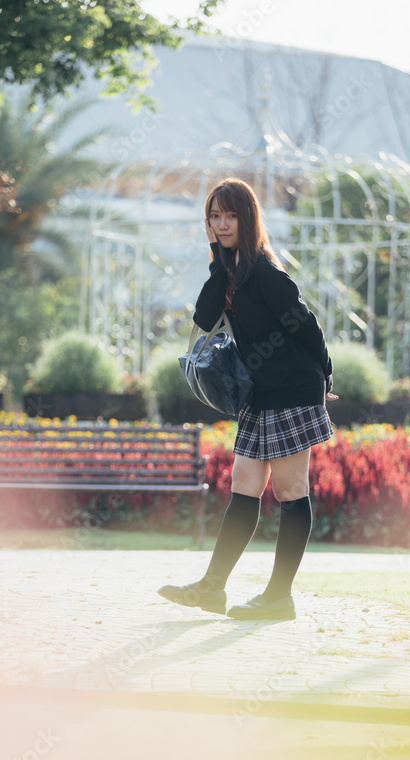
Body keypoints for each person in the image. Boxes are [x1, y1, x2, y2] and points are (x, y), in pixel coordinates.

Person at [158, 177, 338, 621]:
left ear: (248, 218)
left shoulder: (265, 273)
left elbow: (307, 326)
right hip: (259, 394)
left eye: (230, 216)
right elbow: (204, 318)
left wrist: (325, 377)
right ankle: (212, 588)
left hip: (293, 389)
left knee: (291, 490)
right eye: (214, 216)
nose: (222, 224)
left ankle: (278, 597)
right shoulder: (232, 272)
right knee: (244, 485)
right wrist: (218, 261)